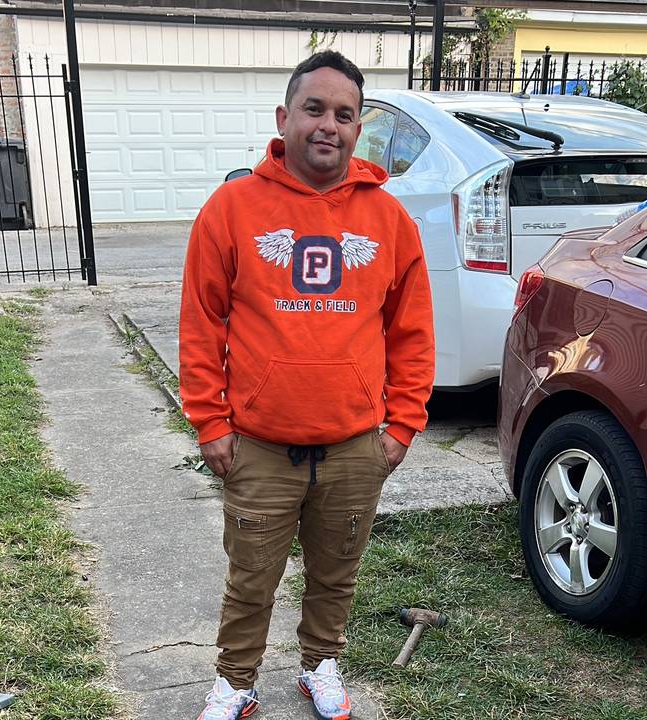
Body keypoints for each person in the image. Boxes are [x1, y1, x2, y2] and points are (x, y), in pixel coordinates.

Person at [179, 50, 434, 720]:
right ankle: (235, 682)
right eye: (314, 109)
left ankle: (320, 663)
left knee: (336, 572)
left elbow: (412, 333)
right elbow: (201, 323)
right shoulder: (232, 210)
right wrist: (210, 422)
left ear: (358, 130)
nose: (329, 125)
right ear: (283, 117)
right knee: (251, 577)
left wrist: (402, 426)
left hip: (354, 448)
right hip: (259, 447)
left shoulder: (390, 221)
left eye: (344, 115)